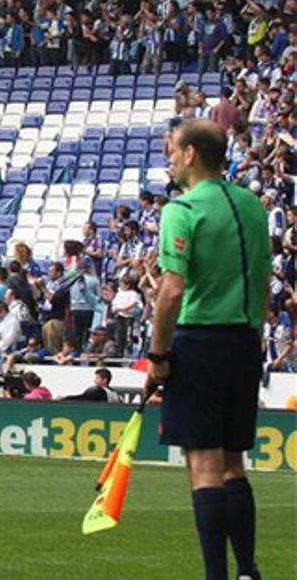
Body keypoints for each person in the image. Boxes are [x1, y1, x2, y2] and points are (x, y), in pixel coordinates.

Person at [144, 119, 271, 580]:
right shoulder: (253, 205)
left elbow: (172, 290)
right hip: (244, 342)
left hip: (199, 342)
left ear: (192, 153)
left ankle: (216, 576)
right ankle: (247, 571)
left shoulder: (182, 209)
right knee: (235, 462)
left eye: (172, 150)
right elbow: (263, 280)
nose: (170, 158)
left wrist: (158, 357)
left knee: (203, 465)